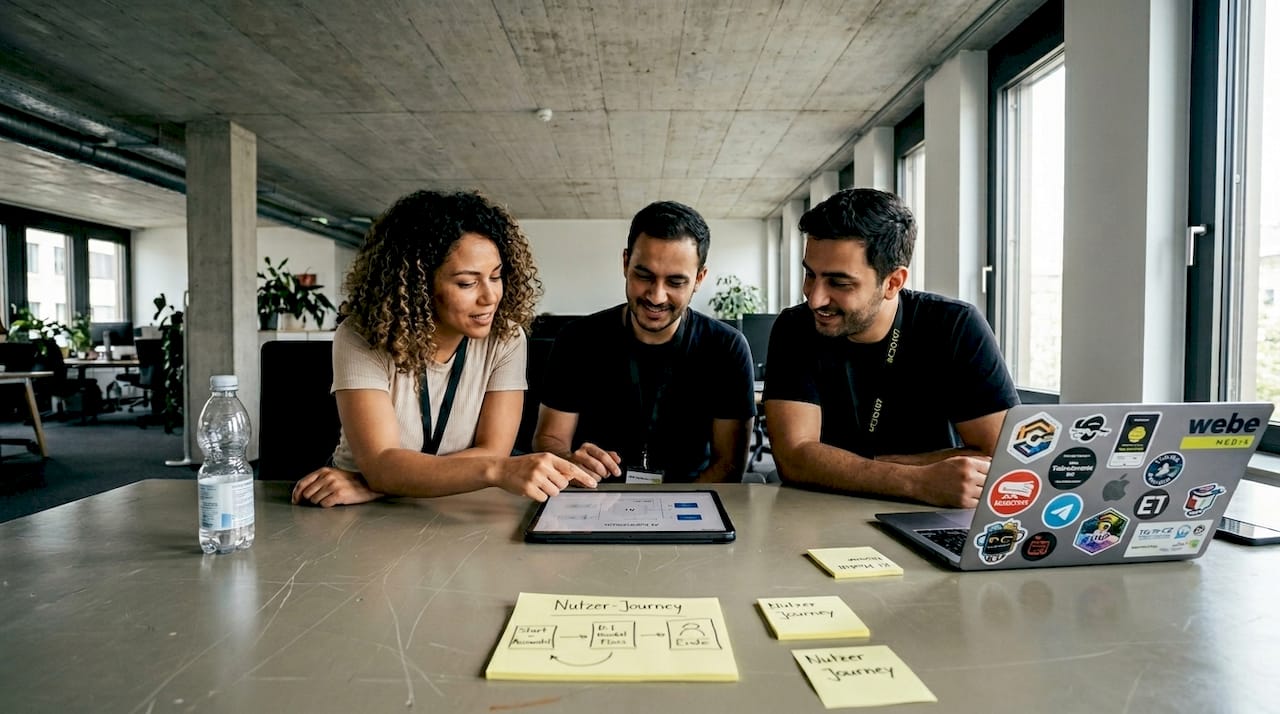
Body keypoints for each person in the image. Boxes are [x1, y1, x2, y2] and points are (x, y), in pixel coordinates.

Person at [292, 190, 595, 507]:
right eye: (467, 283)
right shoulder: (360, 337)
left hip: (429, 502)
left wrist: (380, 484)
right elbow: (382, 462)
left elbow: (493, 451)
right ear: (419, 284)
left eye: (496, 276)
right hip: (353, 509)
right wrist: (386, 476)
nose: (490, 296)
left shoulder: (506, 338)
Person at [763, 188, 1019, 508]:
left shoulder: (954, 326)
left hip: (930, 511)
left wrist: (843, 466)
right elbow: (796, 458)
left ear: (893, 282)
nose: (814, 298)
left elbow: (1002, 455)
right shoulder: (795, 328)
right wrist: (917, 479)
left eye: (839, 283)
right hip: (826, 507)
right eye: (810, 275)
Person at [533, 201, 756, 484]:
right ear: (625, 263)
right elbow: (549, 439)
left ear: (699, 279)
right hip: (595, 497)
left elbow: (729, 465)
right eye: (644, 275)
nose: (657, 296)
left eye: (675, 282)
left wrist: (674, 514)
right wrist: (568, 462)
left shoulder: (726, 348)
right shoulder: (577, 339)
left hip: (690, 501)